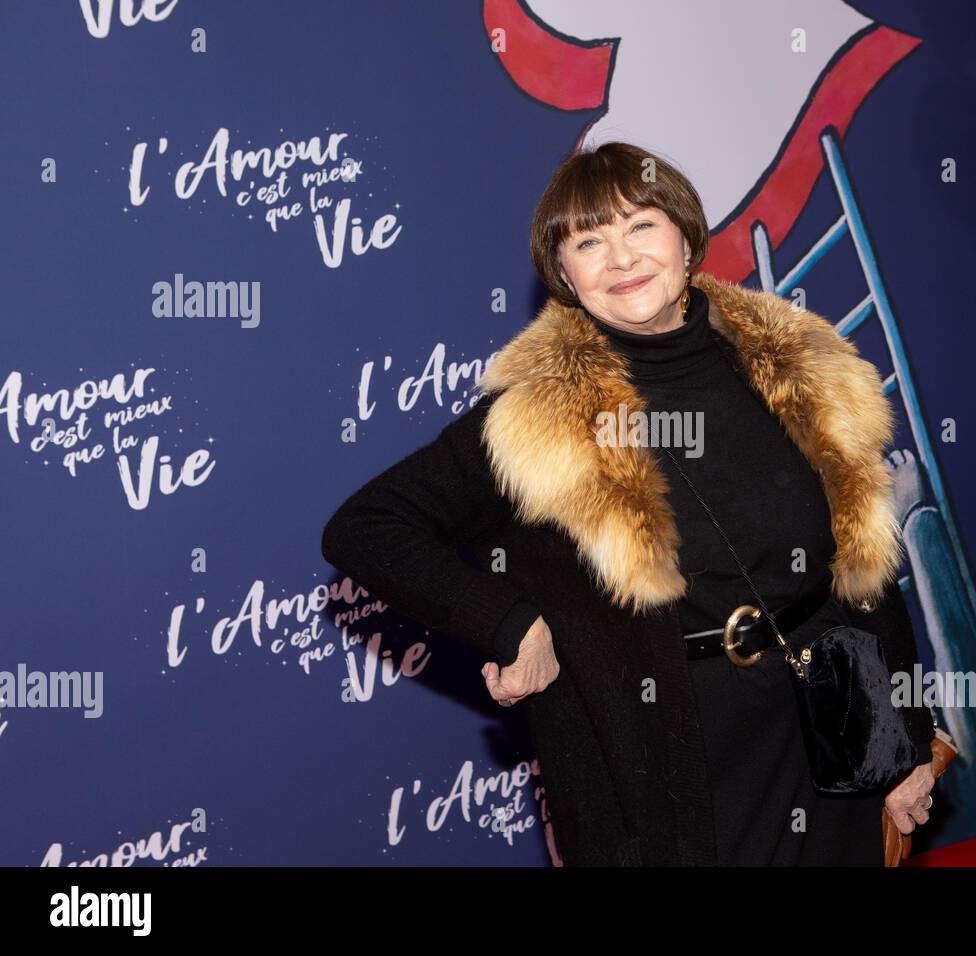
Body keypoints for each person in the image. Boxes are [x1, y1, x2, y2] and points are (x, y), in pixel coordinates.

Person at [321, 141, 936, 866]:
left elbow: (861, 565)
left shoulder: (794, 363)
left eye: (640, 226)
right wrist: (512, 623)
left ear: (685, 236)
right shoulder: (537, 418)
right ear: (565, 276)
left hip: (829, 722)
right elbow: (364, 528)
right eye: (588, 241)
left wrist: (903, 737)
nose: (620, 258)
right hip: (668, 754)